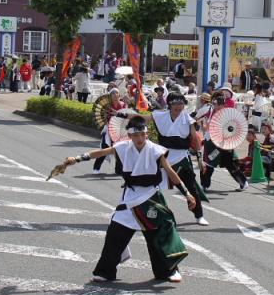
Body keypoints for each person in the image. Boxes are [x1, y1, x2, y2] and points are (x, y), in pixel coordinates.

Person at [61, 115, 195, 283]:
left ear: (147, 134)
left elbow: (170, 172)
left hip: (151, 197)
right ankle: (105, 271)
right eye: (135, 135)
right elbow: (102, 152)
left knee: (157, 237)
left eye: (142, 135)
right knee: (115, 233)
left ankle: (167, 271)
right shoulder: (123, 147)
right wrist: (78, 158)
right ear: (130, 136)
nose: (139, 139)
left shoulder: (156, 150)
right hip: (131, 197)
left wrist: (187, 193)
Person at [152, 92, 209, 226]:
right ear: (169, 105)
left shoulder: (187, 119)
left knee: (191, 186)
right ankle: (151, 214)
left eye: (181, 103)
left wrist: (200, 159)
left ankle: (199, 215)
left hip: (182, 156)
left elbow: (194, 140)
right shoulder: (161, 116)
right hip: (163, 155)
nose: (179, 106)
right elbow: (140, 117)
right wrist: (121, 114)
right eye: (176, 103)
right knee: (152, 186)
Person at [198, 84, 248, 191]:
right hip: (211, 143)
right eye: (214, 103)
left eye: (217, 104)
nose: (215, 106)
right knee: (208, 163)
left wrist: (230, 142)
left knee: (230, 164)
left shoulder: (228, 114)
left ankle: (243, 182)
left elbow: (233, 130)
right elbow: (205, 126)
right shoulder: (210, 112)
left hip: (224, 144)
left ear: (223, 104)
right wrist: (204, 126)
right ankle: (204, 185)